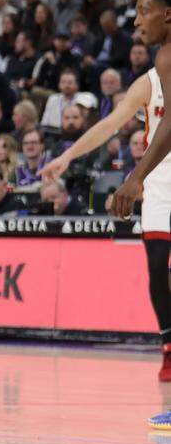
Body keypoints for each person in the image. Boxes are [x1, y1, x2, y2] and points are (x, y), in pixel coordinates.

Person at [44, 32, 171, 381]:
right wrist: (68, 156)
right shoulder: (149, 82)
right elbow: (110, 124)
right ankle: (168, 346)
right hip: (159, 178)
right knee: (157, 264)